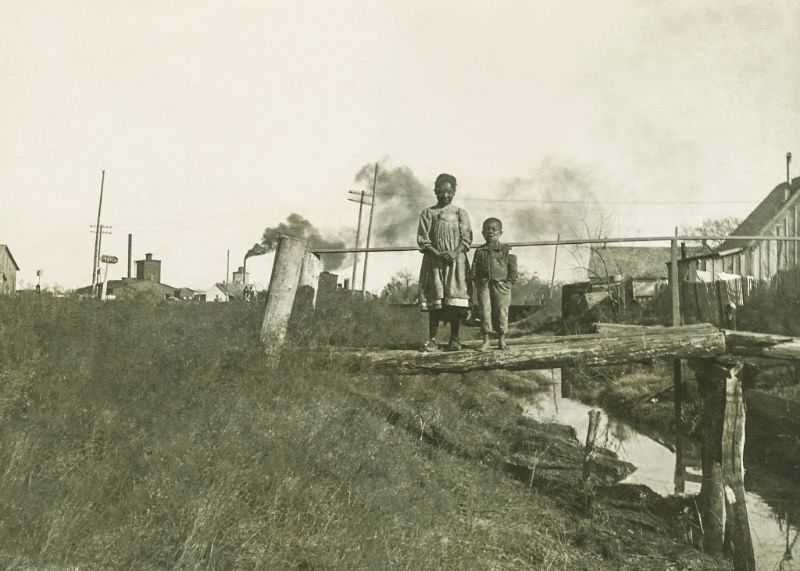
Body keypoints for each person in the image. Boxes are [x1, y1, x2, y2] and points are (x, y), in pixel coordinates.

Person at [417, 173, 473, 351]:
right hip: (434, 263)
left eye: (449, 191)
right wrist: (438, 254)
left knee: (455, 302)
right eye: (441, 191)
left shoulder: (460, 213)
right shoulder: (428, 213)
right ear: (435, 192)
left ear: (454, 191)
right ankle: (432, 339)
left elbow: (466, 239)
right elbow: (423, 240)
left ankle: (455, 339)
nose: (445, 195)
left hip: (456, 264)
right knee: (436, 301)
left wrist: (454, 253)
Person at [472, 217, 517, 351]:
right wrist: (477, 282)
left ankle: (501, 340)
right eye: (487, 229)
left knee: (501, 312)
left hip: (501, 286)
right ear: (482, 233)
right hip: (484, 286)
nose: (490, 232)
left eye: (494, 229)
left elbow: (513, 269)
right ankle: (486, 341)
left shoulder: (506, 249)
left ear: (500, 233)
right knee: (485, 311)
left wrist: (508, 283)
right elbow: (473, 269)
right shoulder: (480, 251)